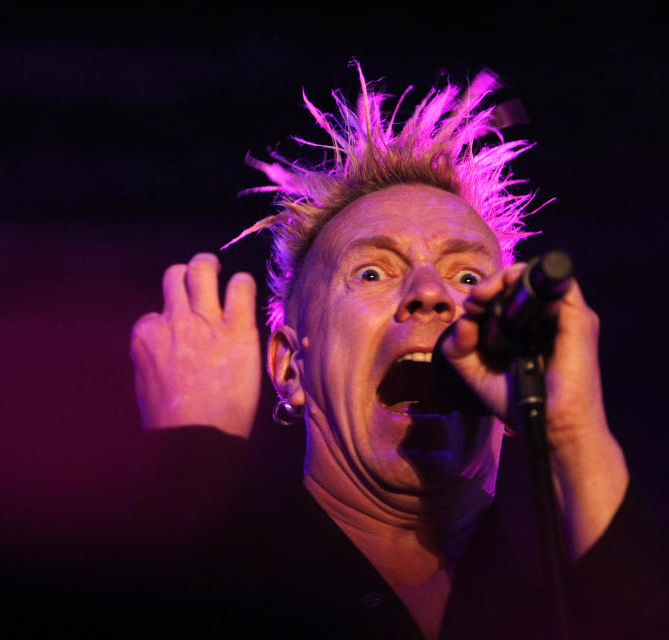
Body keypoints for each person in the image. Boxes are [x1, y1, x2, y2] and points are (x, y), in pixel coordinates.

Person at [129, 65, 667, 638]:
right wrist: (193, 461)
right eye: (370, 272)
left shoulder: (568, 609)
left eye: (466, 278)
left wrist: (572, 431)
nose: (431, 294)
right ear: (290, 365)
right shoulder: (223, 580)